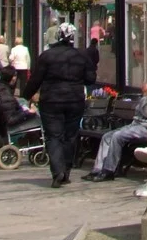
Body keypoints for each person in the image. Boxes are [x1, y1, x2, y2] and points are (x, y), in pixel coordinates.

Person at [24, 24, 96, 188]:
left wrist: (27, 95)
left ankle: (58, 172)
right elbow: (90, 79)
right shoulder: (81, 56)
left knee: (53, 136)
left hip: (51, 100)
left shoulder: (47, 56)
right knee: (70, 136)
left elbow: (36, 79)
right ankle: (66, 170)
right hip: (74, 100)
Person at [82, 87, 147, 183]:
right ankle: (97, 169)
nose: (142, 88)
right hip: (135, 125)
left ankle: (109, 170)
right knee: (107, 136)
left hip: (146, 127)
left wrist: (146, 97)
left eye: (145, 86)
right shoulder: (146, 97)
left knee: (117, 136)